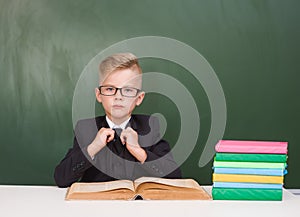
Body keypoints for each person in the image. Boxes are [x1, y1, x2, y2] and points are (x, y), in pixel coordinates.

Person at [54, 53, 182, 187]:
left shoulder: (149, 126)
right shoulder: (86, 128)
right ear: (99, 95)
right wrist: (93, 148)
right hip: (96, 206)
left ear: (139, 98)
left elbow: (175, 176)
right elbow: (61, 179)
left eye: (127, 90)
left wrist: (139, 151)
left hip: (137, 205)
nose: (118, 97)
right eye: (110, 89)